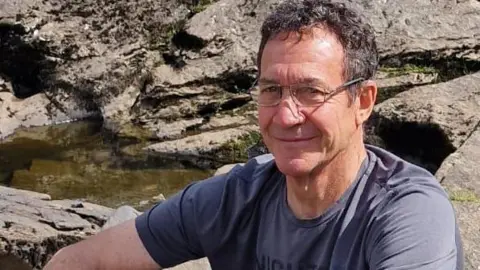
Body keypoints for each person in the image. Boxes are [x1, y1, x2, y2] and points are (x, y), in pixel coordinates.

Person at [44, 0, 464, 269]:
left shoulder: (407, 214)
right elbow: (75, 262)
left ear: (364, 100)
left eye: (310, 91)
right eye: (271, 90)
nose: (285, 115)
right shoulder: (234, 198)